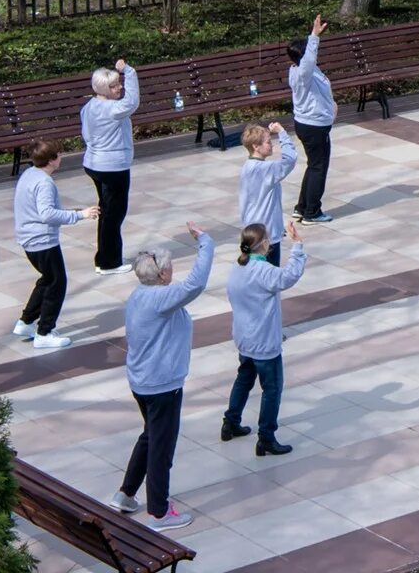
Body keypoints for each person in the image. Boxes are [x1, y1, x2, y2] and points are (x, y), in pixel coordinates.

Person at [112, 223, 213, 532]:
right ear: (162, 275)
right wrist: (206, 244)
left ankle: (126, 493)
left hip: (142, 382)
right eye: (170, 267)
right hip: (161, 386)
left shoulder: (139, 295)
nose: (173, 271)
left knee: (150, 436)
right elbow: (196, 284)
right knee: (162, 446)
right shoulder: (161, 299)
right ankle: (159, 511)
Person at [223, 221, 306, 456]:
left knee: (244, 378)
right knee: (272, 389)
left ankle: (230, 422)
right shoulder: (264, 271)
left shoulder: (238, 267)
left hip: (244, 338)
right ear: (265, 244)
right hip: (264, 342)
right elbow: (289, 277)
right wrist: (297, 246)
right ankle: (266, 437)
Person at [10, 140, 100, 351]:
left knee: (48, 279)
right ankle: (44, 332)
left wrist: (73, 211)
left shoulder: (30, 174)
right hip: (42, 241)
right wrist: (80, 215)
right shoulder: (44, 182)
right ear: (51, 160)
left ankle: (26, 322)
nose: (61, 157)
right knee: (57, 284)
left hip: (30, 239)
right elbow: (47, 214)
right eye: (59, 154)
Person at [81, 59, 140, 274]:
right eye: (115, 86)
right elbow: (132, 102)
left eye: (120, 83)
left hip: (95, 163)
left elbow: (86, 135)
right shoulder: (112, 109)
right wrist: (129, 72)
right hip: (112, 167)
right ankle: (109, 262)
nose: (120, 87)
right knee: (114, 214)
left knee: (107, 212)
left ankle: (104, 257)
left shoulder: (89, 107)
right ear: (105, 90)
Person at [288, 14, 337, 225]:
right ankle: (312, 212)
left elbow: (309, 60)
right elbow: (309, 59)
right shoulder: (303, 72)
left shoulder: (302, 70)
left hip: (311, 123)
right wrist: (315, 36)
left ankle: (302, 207)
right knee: (319, 167)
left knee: (313, 165)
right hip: (314, 127)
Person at [239, 123, 299, 267]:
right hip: (267, 235)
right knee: (270, 277)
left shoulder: (248, 167)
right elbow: (290, 160)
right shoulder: (264, 169)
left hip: (252, 231)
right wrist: (282, 132)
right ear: (255, 146)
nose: (271, 145)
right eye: (268, 142)